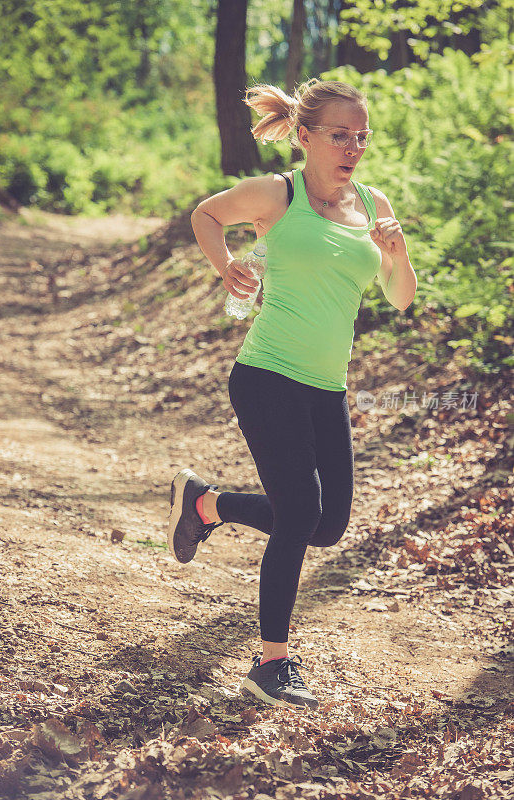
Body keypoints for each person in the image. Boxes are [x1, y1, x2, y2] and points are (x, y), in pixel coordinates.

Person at [168, 78, 417, 711]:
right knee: (300, 511)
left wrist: (397, 254)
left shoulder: (373, 203)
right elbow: (204, 213)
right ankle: (270, 663)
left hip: (326, 386)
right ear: (305, 137)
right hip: (267, 375)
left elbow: (400, 296)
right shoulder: (276, 195)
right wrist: (226, 265)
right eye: (340, 135)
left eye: (361, 136)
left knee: (327, 526)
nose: (352, 147)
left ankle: (206, 505)